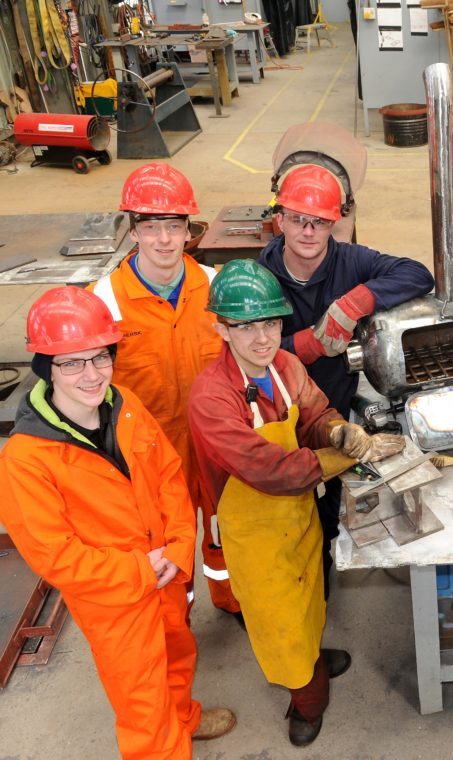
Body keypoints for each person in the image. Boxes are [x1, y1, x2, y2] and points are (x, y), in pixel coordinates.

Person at [0, 287, 235, 760]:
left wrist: (175, 547)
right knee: (141, 697)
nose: (91, 374)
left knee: (176, 654)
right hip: (114, 599)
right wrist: (139, 571)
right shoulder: (25, 459)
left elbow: (168, 474)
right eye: (72, 362)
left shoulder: (123, 402)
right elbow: (54, 555)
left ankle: (184, 719)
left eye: (100, 357)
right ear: (46, 367)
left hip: (163, 569)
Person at [188, 259, 405, 747]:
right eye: (245, 327)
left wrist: (339, 430)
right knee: (279, 621)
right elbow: (271, 469)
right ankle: (307, 696)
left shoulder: (285, 366)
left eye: (270, 323)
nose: (262, 339)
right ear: (221, 329)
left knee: (309, 599)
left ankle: (312, 657)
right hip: (256, 532)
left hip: (299, 516)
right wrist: (345, 457)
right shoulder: (211, 397)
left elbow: (314, 412)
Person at [257, 164, 433, 595]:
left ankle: (321, 584)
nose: (308, 231)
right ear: (280, 219)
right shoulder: (259, 276)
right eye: (298, 219)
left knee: (327, 509)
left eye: (319, 222)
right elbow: (244, 353)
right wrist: (307, 345)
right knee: (284, 522)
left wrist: (355, 301)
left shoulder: (351, 261)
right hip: (277, 421)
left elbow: (419, 274)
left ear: (335, 222)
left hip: (332, 415)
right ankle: (297, 593)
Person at [90, 162, 241, 621]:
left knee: (225, 528)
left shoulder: (216, 289)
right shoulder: (103, 303)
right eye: (150, 226)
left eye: (172, 226)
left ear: (188, 230)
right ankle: (176, 616)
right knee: (165, 542)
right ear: (132, 230)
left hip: (214, 444)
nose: (163, 239)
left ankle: (233, 600)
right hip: (150, 456)